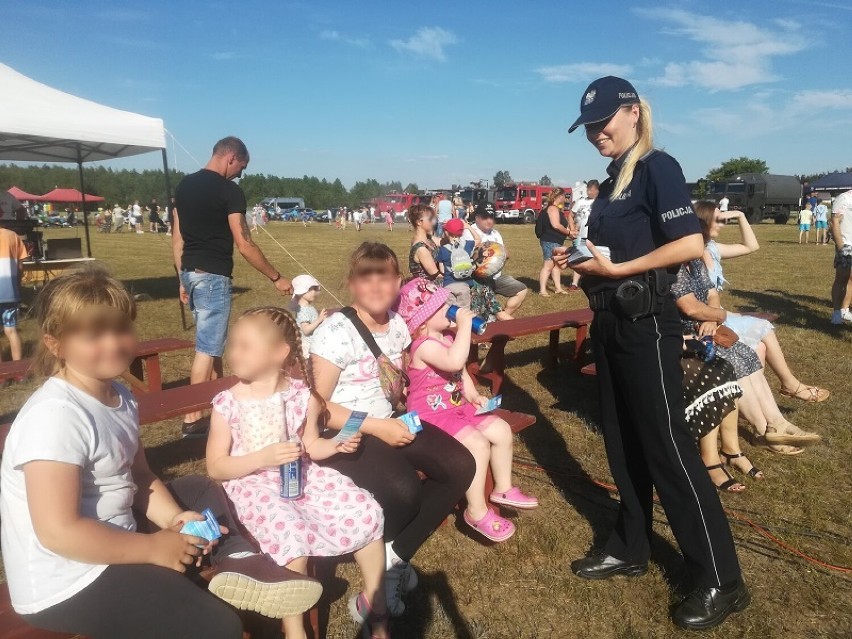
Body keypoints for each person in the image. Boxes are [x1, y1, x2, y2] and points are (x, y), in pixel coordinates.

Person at [0, 268, 322, 639]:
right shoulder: (55, 417)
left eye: (121, 329)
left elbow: (138, 476)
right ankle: (232, 570)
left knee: (199, 489)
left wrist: (174, 517)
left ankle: (239, 562)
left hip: (115, 532)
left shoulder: (118, 396)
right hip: (68, 578)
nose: (113, 343)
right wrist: (153, 546)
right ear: (55, 344)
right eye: (93, 335)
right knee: (219, 627)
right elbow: (59, 533)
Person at [557, 76, 749, 629]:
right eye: (588, 127)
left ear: (634, 112)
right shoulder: (615, 175)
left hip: (647, 325)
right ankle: (630, 546)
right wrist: (590, 265)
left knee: (667, 448)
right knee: (623, 443)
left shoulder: (657, 166)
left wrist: (617, 269)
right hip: (611, 320)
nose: (595, 134)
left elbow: (689, 245)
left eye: (603, 123)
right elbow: (623, 246)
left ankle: (721, 578)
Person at [310, 242, 475, 616]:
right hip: (348, 431)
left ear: (398, 281)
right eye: (366, 277)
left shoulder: (398, 325)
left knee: (461, 465)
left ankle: (392, 557)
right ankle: (381, 580)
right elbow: (318, 409)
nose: (376, 286)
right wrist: (375, 426)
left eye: (384, 277)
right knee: (404, 489)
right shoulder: (336, 332)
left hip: (391, 420)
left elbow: (397, 382)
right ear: (352, 284)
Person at [206, 307, 388, 639]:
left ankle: (377, 604)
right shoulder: (228, 403)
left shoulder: (301, 395)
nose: (234, 353)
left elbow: (311, 444)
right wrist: (261, 457)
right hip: (251, 484)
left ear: (280, 353)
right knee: (292, 536)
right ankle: (295, 631)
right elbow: (216, 466)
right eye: (233, 344)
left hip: (301, 476)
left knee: (365, 509)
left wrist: (335, 446)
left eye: (245, 346)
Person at [397, 279, 538, 543]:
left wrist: (473, 394)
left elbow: (460, 372)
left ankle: (503, 488)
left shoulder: (448, 337)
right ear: (423, 321)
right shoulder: (423, 346)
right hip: (431, 415)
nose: (451, 308)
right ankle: (476, 511)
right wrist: (464, 325)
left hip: (458, 406)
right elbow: (454, 360)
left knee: (501, 429)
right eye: (442, 306)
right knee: (477, 444)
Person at [172, 136, 293, 438]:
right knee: (207, 349)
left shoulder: (184, 186)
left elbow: (177, 239)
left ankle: (216, 405)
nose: (241, 173)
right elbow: (244, 243)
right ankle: (191, 419)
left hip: (190, 271)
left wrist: (181, 278)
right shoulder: (229, 190)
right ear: (231, 158)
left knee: (210, 345)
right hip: (213, 276)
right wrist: (276, 276)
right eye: (242, 166)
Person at [671, 257, 818, 456]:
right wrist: (719, 316)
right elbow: (690, 307)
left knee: (746, 354)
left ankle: (777, 422)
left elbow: (712, 295)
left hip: (707, 331)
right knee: (732, 364)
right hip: (684, 338)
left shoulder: (696, 263)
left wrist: (712, 318)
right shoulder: (674, 267)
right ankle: (762, 429)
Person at [695, 201, 831, 403]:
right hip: (706, 319)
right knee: (763, 328)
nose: (722, 223)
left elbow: (751, 246)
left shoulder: (713, 248)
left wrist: (740, 216)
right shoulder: (694, 252)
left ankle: (755, 402)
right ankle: (787, 386)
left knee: (761, 344)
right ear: (704, 221)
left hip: (717, 313)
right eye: (718, 219)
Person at [461, 204, 528, 316]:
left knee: (521, 290)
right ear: (477, 217)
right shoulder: (469, 232)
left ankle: (502, 318)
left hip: (496, 277)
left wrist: (501, 253)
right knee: (482, 310)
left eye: (491, 217)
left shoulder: (495, 233)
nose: (489, 220)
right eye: (485, 217)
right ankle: (500, 319)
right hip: (477, 279)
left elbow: (506, 253)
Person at [437, 218, 509, 321]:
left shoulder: (443, 249)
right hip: (464, 286)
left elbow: (442, 270)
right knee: (463, 313)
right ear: (462, 233)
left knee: (449, 311)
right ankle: (463, 330)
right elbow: (478, 239)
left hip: (448, 285)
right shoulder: (467, 244)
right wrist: (468, 227)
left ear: (447, 232)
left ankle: (452, 330)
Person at [537, 187, 575, 297]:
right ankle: (542, 290)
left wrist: (570, 231)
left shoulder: (556, 209)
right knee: (548, 265)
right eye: (564, 196)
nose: (565, 199)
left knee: (556, 266)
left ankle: (558, 288)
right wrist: (568, 233)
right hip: (550, 241)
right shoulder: (553, 208)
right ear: (560, 196)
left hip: (556, 241)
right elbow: (556, 225)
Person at [0, 226, 28, 362]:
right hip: (9, 291)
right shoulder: (13, 236)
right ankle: (18, 368)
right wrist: (16, 284)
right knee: (11, 330)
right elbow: (21, 266)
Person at [569, 180, 599, 291]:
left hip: (595, 237)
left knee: (594, 258)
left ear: (597, 190)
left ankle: (592, 280)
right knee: (579, 257)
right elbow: (570, 215)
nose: (589, 192)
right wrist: (572, 229)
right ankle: (574, 283)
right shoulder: (580, 202)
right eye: (588, 189)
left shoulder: (601, 202)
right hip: (581, 235)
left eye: (591, 190)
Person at [289, 274, 327, 358]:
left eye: (315, 289)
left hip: (315, 341)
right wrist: (319, 320)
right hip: (309, 345)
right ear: (300, 293)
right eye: (310, 289)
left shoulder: (307, 307)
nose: (314, 292)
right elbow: (306, 330)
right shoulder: (303, 310)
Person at [830, 189, 852, 325]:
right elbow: (834, 222)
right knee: (841, 278)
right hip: (846, 245)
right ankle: (837, 313)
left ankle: (845, 309)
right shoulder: (844, 198)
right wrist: (840, 247)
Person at [407, 204, 441, 281]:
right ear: (419, 222)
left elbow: (445, 241)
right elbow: (436, 275)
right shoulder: (421, 248)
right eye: (430, 219)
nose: (433, 222)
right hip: (427, 288)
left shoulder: (428, 239)